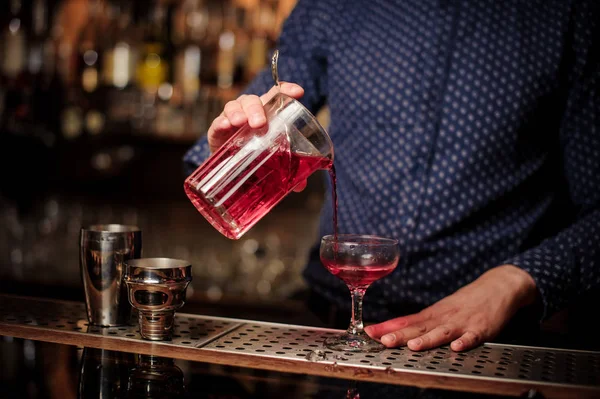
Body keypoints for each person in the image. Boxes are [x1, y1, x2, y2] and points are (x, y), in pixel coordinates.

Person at [184, 0, 600, 352]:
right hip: (332, 327)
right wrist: (232, 141)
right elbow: (272, 101)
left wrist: (516, 280)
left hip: (482, 342)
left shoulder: (568, 14)